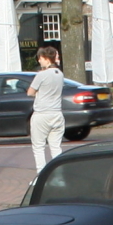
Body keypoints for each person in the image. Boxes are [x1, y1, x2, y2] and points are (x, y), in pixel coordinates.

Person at [29, 42, 69, 174]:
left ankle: (40, 176)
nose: (39, 61)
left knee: (39, 147)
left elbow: (30, 92)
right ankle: (59, 176)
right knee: (56, 147)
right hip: (57, 114)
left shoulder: (41, 75)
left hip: (42, 114)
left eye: (40, 58)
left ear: (46, 58)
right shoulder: (60, 74)